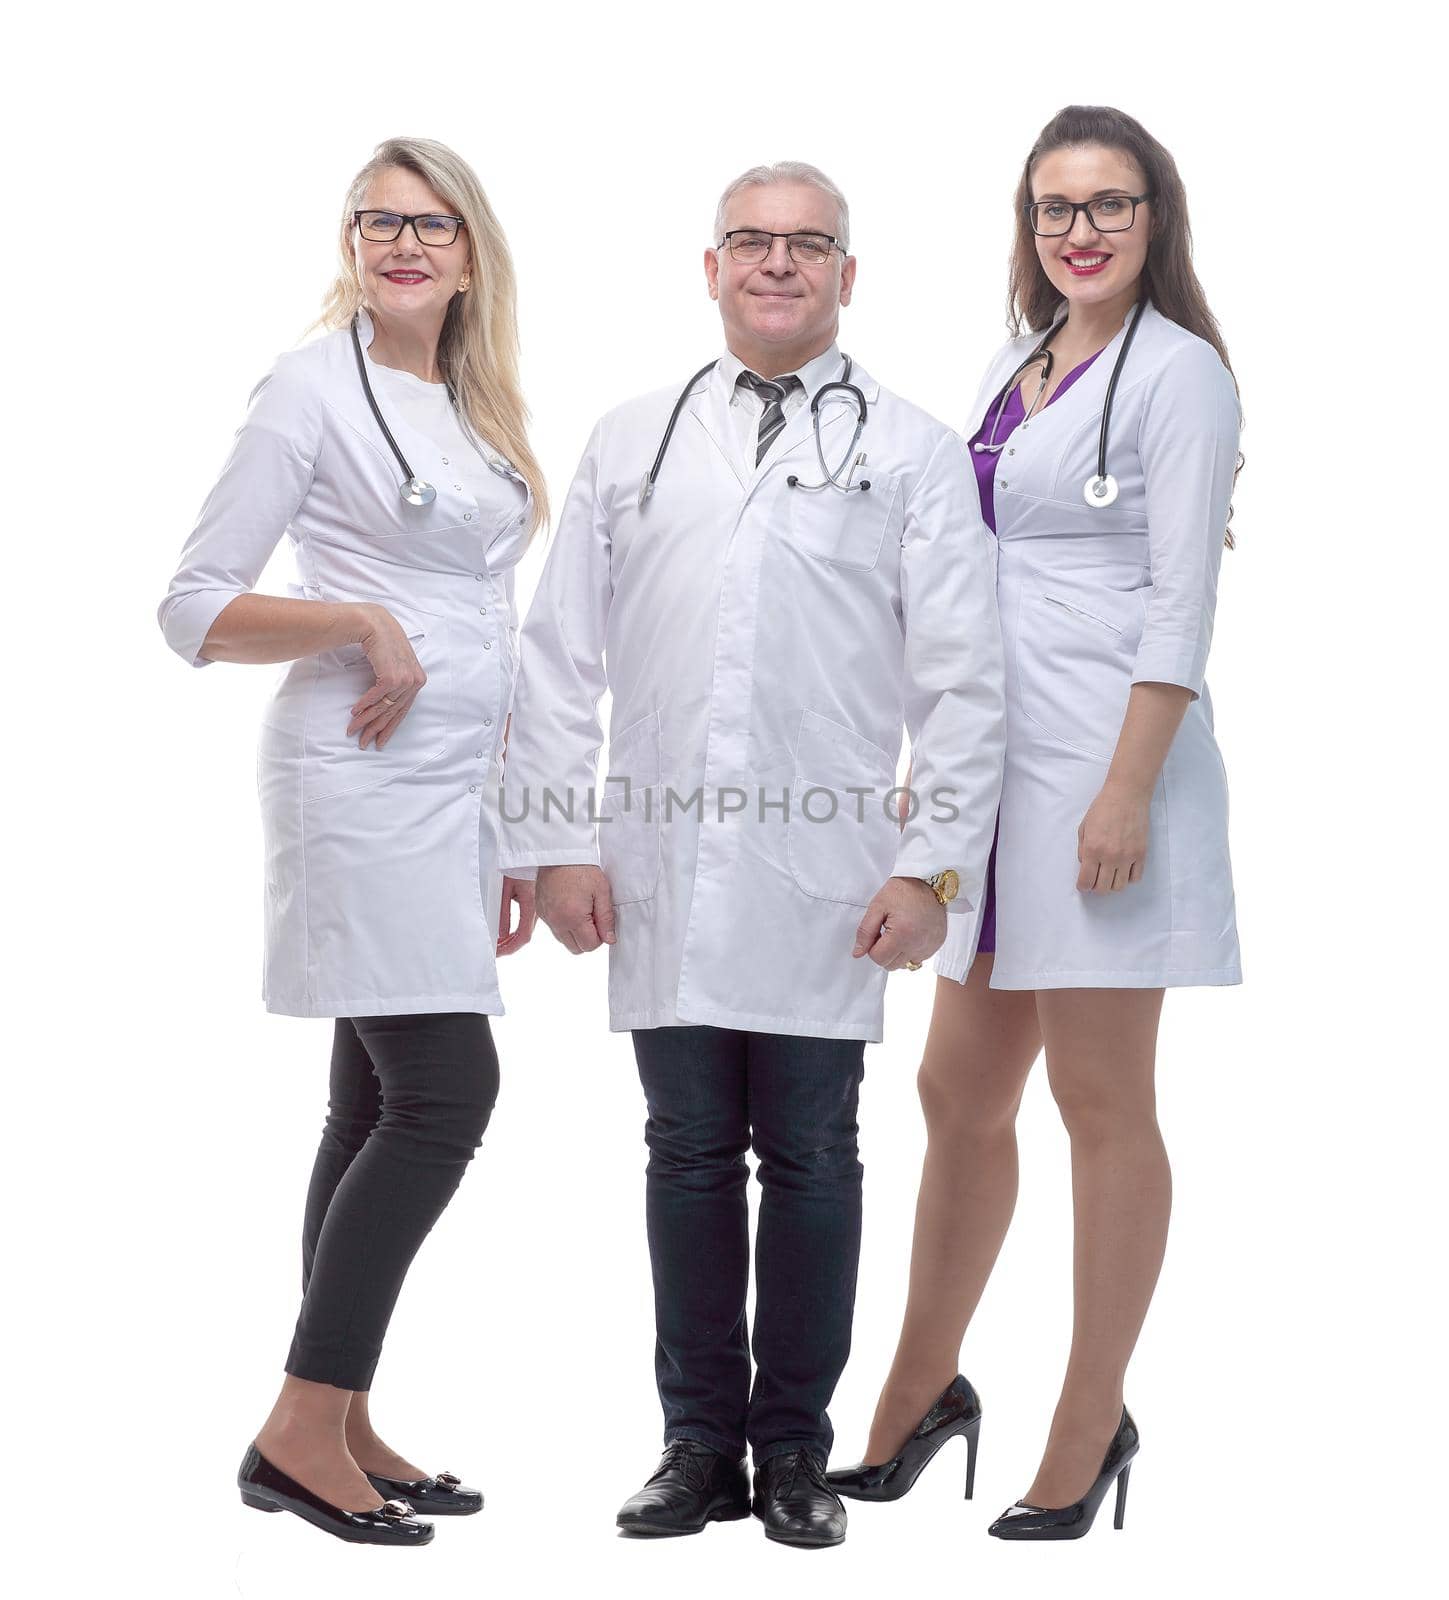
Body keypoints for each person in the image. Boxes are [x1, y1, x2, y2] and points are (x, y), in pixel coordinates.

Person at [498, 160, 1005, 1549]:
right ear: (708, 268)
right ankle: (692, 1444)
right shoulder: (632, 437)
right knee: (682, 1152)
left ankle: (791, 1451)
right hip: (654, 858)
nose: (777, 264)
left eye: (808, 246)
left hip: (826, 876)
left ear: (848, 276)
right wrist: (552, 840)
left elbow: (963, 676)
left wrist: (929, 865)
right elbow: (558, 658)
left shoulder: (903, 448)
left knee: (813, 1153)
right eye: (750, 243)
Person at [826, 105, 1244, 1541]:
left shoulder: (1177, 378)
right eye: (1054, 206)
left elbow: (1179, 600)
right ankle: (919, 1386)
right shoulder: (1019, 358)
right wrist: (931, 761)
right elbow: (962, 577)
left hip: (1104, 773)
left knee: (1100, 1102)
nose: (1079, 230)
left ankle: (1088, 1421)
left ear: (1152, 219)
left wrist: (1126, 786)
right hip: (995, 777)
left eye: (1107, 205)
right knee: (955, 1092)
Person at [157, 136, 547, 1546]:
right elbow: (192, 609)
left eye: (430, 225)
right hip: (357, 778)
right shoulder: (307, 389)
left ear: (468, 250)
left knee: (375, 1106)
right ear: (347, 243)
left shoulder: (464, 400)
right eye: (376, 221)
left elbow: (487, 628)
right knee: (446, 1091)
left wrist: (510, 831)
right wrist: (352, 621)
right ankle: (296, 1423)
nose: (401, 245)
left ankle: (341, 1414)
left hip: (451, 800)